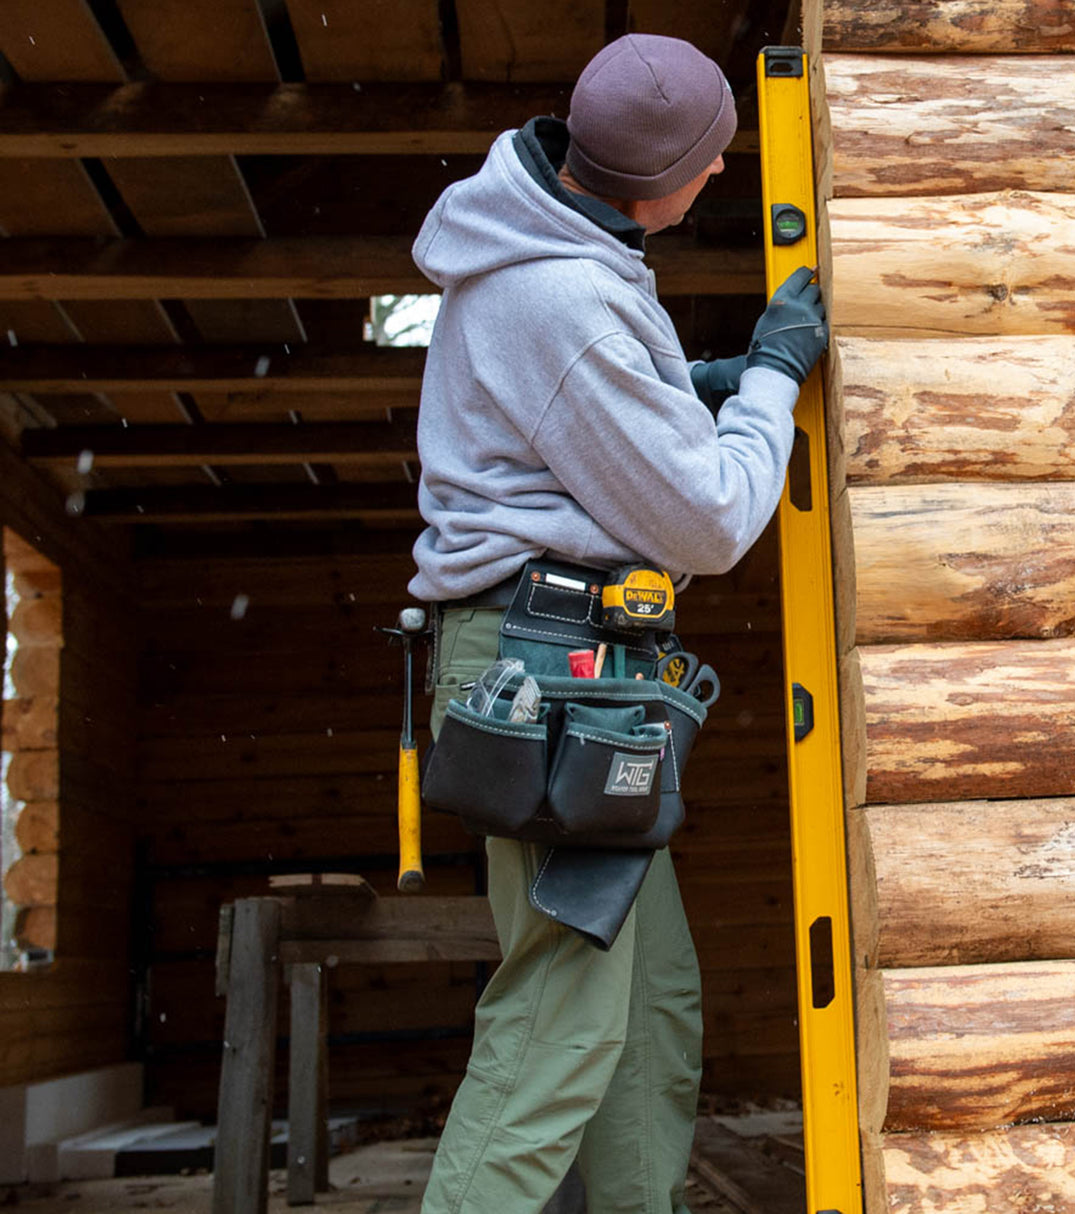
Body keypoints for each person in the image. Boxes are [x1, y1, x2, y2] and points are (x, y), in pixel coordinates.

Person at [409, 33, 828, 1214]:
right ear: (666, 175)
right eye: (711, 167)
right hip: (542, 680)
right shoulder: (564, 298)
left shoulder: (558, 238)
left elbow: (565, 416)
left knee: (645, 1009)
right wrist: (768, 387)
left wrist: (683, 382)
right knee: (562, 1024)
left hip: (568, 675)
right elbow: (705, 522)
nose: (715, 183)